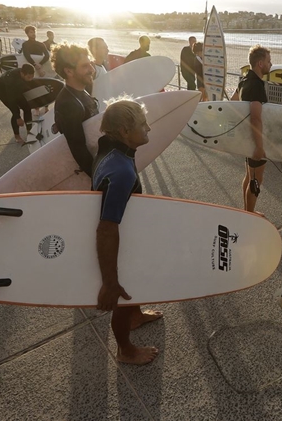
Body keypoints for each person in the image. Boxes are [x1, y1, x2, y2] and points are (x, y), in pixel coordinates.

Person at [92, 98, 163, 365]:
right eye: (142, 124)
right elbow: (107, 228)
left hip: (129, 234)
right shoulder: (121, 170)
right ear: (124, 131)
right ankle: (125, 350)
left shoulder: (114, 153)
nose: (149, 128)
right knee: (122, 292)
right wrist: (110, 282)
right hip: (119, 243)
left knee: (134, 285)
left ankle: (135, 316)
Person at [52, 44, 99, 176]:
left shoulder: (83, 89)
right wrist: (99, 177)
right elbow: (78, 149)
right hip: (88, 172)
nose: (92, 69)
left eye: (90, 64)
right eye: (85, 66)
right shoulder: (68, 104)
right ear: (69, 71)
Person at [235, 45, 272, 213]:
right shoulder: (257, 85)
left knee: (249, 176)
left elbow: (233, 102)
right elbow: (256, 117)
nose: (270, 64)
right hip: (254, 138)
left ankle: (247, 211)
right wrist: (259, 146)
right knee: (256, 179)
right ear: (260, 63)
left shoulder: (243, 79)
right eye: (268, 61)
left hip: (245, 137)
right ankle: (249, 215)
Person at [0, 64, 36, 144]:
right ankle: (17, 136)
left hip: (16, 89)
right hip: (2, 91)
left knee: (27, 108)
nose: (30, 79)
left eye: (32, 77)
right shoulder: (11, 81)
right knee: (15, 111)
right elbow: (11, 100)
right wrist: (18, 118)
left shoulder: (25, 72)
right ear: (22, 74)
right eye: (28, 77)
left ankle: (29, 131)